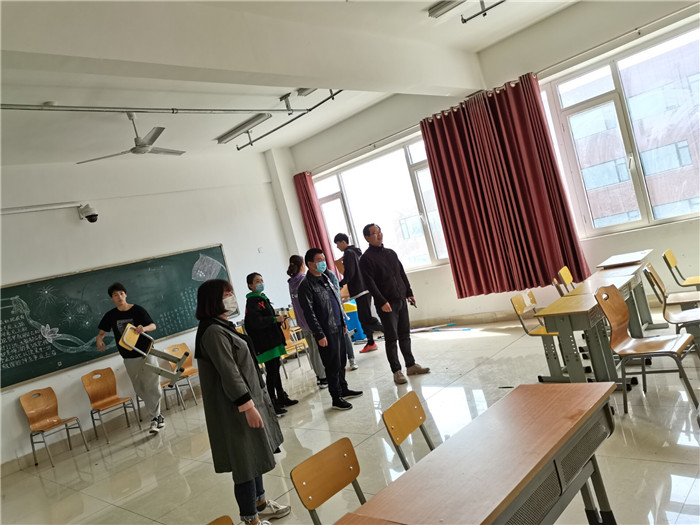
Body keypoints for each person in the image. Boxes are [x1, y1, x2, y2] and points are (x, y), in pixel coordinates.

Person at [195, 279, 291, 525]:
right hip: (235, 407)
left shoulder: (222, 326)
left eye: (231, 292)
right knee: (245, 462)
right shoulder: (212, 332)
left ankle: (261, 504)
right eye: (226, 294)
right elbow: (229, 372)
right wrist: (247, 406)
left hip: (248, 399)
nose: (231, 297)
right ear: (213, 300)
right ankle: (250, 519)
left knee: (254, 454)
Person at [359, 224, 430, 385]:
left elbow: (401, 273)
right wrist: (382, 301)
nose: (379, 235)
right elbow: (370, 283)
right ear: (367, 238)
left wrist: (409, 292)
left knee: (405, 334)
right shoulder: (366, 259)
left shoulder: (390, 253)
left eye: (379, 232)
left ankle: (411, 365)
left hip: (401, 300)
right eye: (374, 233)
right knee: (392, 338)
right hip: (386, 304)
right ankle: (396, 371)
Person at [298, 248, 363, 410]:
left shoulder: (326, 278)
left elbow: (336, 301)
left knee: (341, 361)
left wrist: (343, 322)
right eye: (319, 260)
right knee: (332, 364)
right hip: (325, 331)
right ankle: (336, 397)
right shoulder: (306, 285)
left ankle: (343, 388)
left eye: (323, 259)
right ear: (310, 264)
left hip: (338, 326)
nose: (323, 263)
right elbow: (309, 313)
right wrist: (319, 334)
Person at [97, 282, 164, 434]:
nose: (119, 297)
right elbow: (101, 332)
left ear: (125, 294)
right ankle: (156, 415)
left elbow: (153, 325)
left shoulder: (137, 310)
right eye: (115, 295)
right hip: (128, 356)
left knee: (153, 385)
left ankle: (156, 417)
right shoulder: (111, 315)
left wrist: (143, 328)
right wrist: (99, 339)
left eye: (121, 293)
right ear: (111, 298)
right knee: (139, 387)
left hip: (146, 352)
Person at [244, 273, 298, 415]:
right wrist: (275, 319)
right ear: (250, 285)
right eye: (257, 281)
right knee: (271, 371)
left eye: (261, 280)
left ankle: (281, 396)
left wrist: (277, 320)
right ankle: (272, 403)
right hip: (265, 343)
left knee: (276, 368)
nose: (260, 283)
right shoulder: (252, 302)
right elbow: (256, 322)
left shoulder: (262, 298)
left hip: (272, 340)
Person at [334, 233, 384, 354]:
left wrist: (341, 283)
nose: (337, 247)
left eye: (337, 244)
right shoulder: (356, 252)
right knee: (363, 318)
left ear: (343, 242)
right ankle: (371, 342)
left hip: (360, 289)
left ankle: (388, 331)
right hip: (364, 288)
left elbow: (350, 272)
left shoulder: (348, 253)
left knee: (366, 318)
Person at [287, 255, 328, 388]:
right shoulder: (303, 280)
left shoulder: (291, 282)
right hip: (311, 321)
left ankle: (319, 376)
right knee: (318, 350)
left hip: (302, 321)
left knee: (312, 350)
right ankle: (323, 378)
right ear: (303, 265)